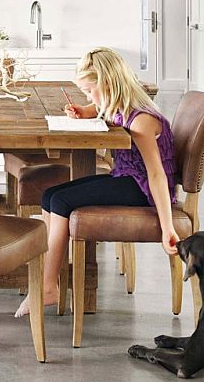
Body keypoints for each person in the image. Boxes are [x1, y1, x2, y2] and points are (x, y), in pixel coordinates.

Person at [14, 47, 178, 318]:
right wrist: (86, 110)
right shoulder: (120, 106)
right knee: (49, 195)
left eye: (91, 91)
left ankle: (48, 287)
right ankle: (51, 272)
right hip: (126, 179)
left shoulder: (143, 121)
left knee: (61, 201)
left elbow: (157, 174)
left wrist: (167, 225)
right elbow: (103, 109)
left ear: (109, 83)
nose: (90, 97)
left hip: (142, 188)